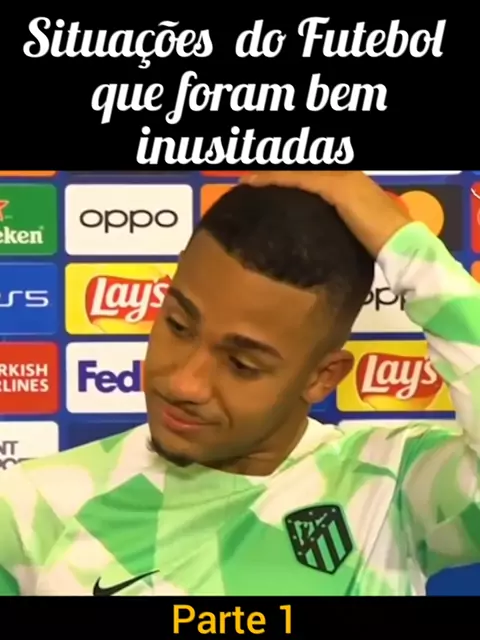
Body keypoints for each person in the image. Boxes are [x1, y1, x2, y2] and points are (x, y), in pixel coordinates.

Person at [1, 171, 479, 597]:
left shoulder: (393, 487)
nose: (185, 383)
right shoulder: (33, 507)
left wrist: (403, 244)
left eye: (242, 364)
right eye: (178, 326)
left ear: (322, 377)